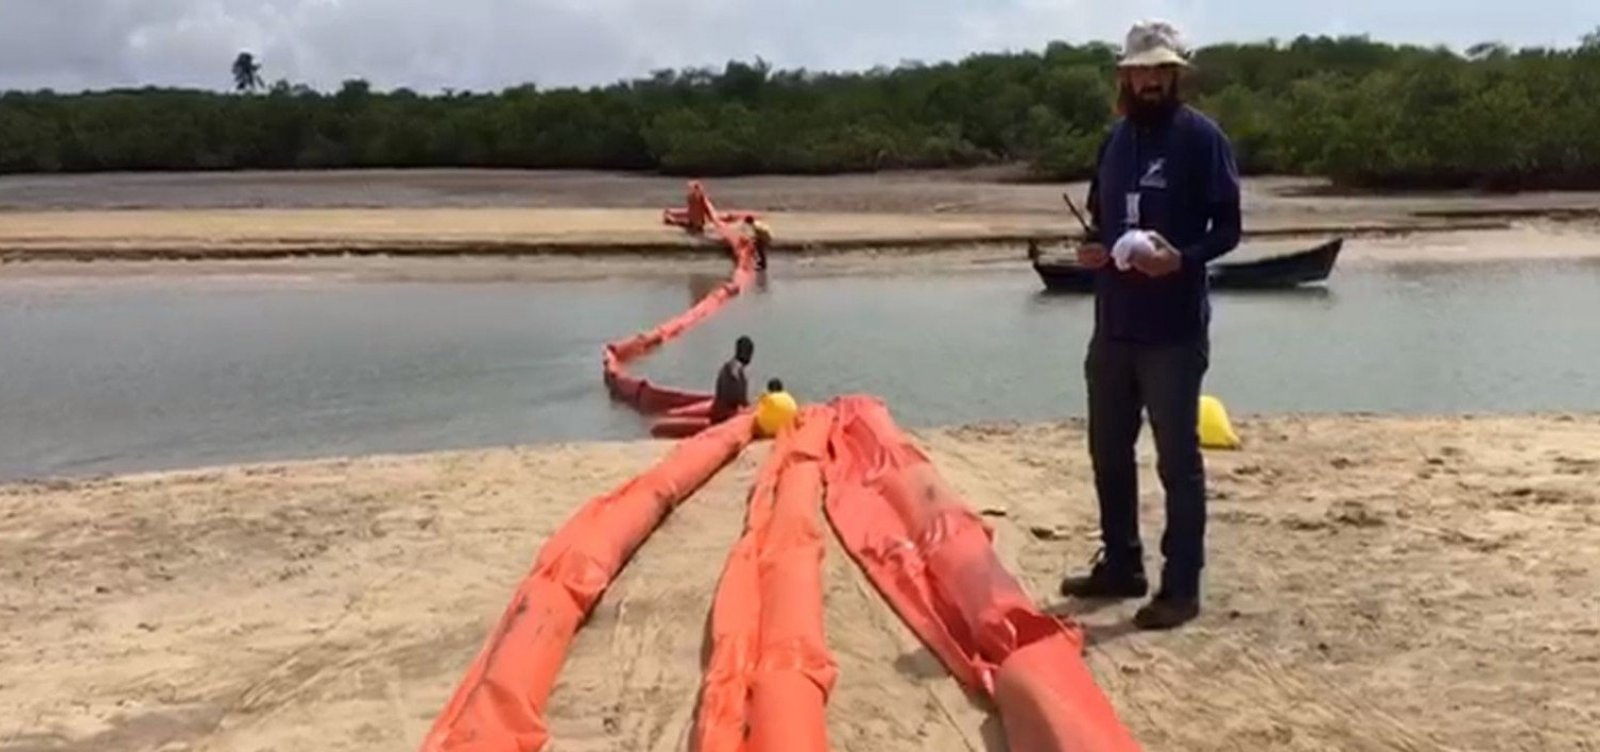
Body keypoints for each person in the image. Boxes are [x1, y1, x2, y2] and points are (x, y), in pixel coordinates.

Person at [1058, 20, 1242, 631]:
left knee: (1176, 461)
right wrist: (1090, 249)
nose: (1150, 80)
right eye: (1140, 70)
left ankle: (1181, 586)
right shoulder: (1114, 142)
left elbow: (1228, 230)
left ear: (1176, 74)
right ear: (1126, 76)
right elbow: (1100, 221)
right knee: (1108, 451)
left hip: (1173, 331)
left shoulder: (1202, 139)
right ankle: (1122, 564)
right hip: (1112, 326)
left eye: (1161, 70)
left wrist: (1180, 259)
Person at [710, 336, 755, 424]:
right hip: (725, 415)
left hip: (720, 410)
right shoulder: (736, 369)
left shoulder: (728, 365)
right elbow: (739, 398)